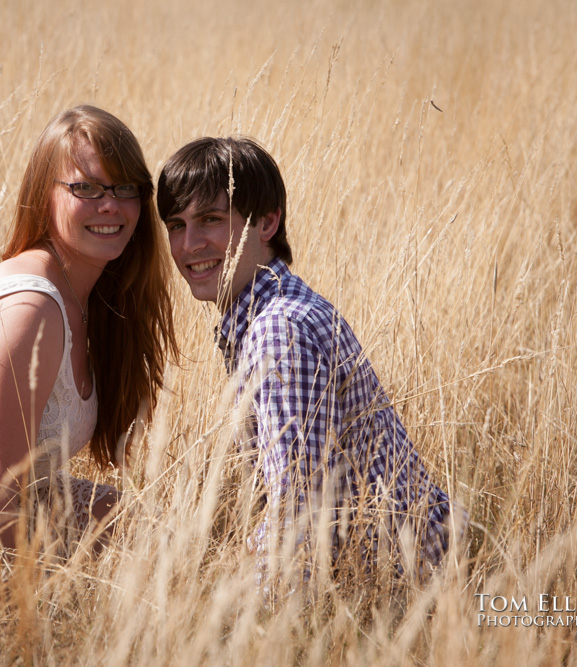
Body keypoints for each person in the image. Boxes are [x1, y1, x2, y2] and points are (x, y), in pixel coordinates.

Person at [157, 136, 462, 585]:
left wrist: (231, 617)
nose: (189, 244)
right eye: (176, 225)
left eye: (210, 220)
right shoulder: (272, 308)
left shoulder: (279, 329)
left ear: (266, 222)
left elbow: (300, 513)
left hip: (408, 583)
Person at [0, 105, 176, 550]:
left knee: (159, 538)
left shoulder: (94, 294)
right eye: (87, 187)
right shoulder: (28, 311)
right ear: (44, 195)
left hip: (19, 500)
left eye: (125, 187)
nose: (111, 204)